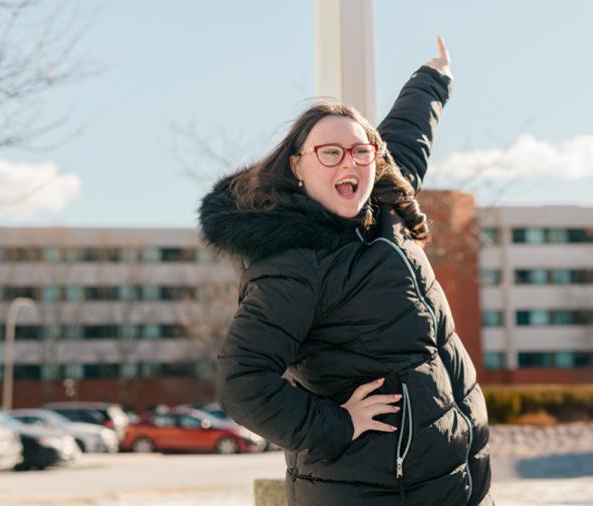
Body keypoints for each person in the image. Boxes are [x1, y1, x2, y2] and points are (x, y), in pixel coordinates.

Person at [199, 37, 492, 505]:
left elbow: (408, 134)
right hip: (371, 492)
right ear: (297, 166)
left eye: (360, 151)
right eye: (329, 152)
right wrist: (337, 425)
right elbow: (242, 382)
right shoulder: (294, 264)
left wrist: (434, 77)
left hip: (449, 485)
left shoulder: (385, 209)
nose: (348, 161)